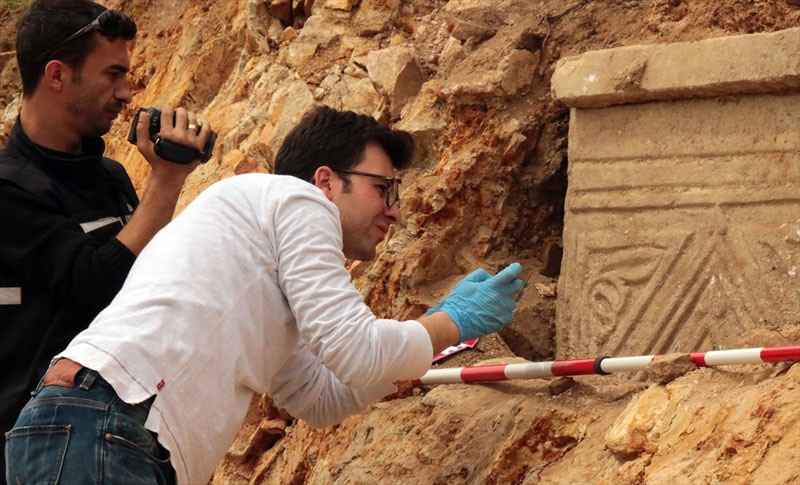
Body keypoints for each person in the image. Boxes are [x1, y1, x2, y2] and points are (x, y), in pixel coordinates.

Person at [5, 106, 523, 485]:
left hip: (93, 424)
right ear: (326, 181)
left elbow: (321, 399)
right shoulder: (296, 199)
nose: (395, 211)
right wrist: (449, 322)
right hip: (108, 422)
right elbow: (355, 349)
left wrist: (429, 339)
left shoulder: (257, 259)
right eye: (383, 189)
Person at [0, 0, 212, 475]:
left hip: (125, 432)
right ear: (57, 75)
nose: (125, 94)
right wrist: (166, 183)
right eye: (112, 74)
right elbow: (92, 285)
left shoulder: (111, 178)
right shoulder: (8, 191)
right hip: (44, 446)